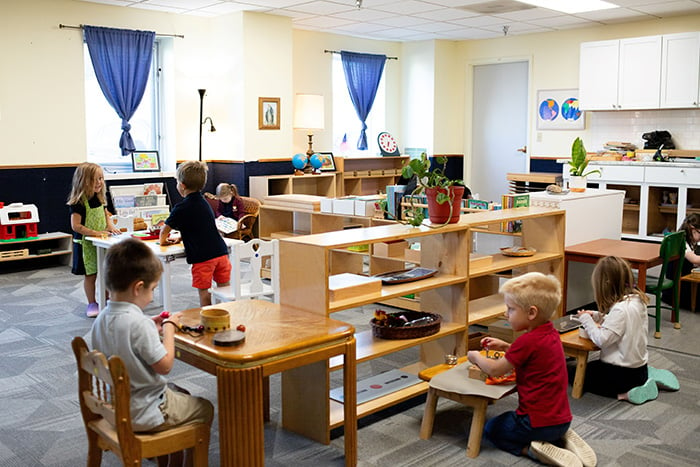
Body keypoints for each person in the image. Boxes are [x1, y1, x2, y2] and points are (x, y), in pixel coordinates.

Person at [90, 238, 213, 465]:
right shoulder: (139, 325)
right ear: (138, 287)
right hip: (144, 412)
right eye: (152, 289)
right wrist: (168, 328)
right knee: (204, 407)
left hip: (116, 406)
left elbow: (125, 336)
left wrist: (149, 323)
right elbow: (165, 365)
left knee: (180, 392)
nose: (152, 295)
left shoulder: (102, 319)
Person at [468, 272, 596, 467]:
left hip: (535, 424)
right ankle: (561, 437)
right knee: (533, 423)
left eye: (510, 309)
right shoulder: (551, 333)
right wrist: (505, 347)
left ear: (531, 313)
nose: (506, 314)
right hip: (563, 418)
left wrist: (475, 357)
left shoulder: (526, 341)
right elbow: (532, 357)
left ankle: (531, 450)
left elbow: (495, 370)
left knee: (492, 428)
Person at [577, 256, 679, 403]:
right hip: (639, 369)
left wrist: (586, 321)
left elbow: (602, 340)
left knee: (577, 375)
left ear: (605, 284)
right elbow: (625, 324)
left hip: (621, 375)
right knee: (591, 368)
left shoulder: (620, 310)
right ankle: (646, 377)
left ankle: (627, 394)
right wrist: (597, 316)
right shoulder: (637, 300)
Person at [160, 161, 231, 306]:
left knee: (204, 291)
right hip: (221, 253)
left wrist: (163, 241)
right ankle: (224, 312)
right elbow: (202, 226)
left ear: (182, 185)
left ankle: (207, 317)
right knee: (225, 289)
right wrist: (182, 236)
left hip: (203, 257)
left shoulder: (181, 208)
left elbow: (164, 230)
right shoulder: (205, 202)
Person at [66, 162, 121, 318]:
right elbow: (76, 226)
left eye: (101, 178)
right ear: (83, 181)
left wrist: (110, 225)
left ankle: (107, 299)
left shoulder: (100, 197)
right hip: (85, 245)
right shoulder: (78, 202)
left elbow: (106, 214)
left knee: (106, 272)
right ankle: (92, 302)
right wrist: (95, 233)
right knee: (91, 275)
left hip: (102, 242)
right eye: (94, 179)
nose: (99, 182)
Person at [664, 213, 700, 310]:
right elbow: (695, 260)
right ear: (692, 229)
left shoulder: (689, 241)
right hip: (677, 289)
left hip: (682, 280)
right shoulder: (682, 242)